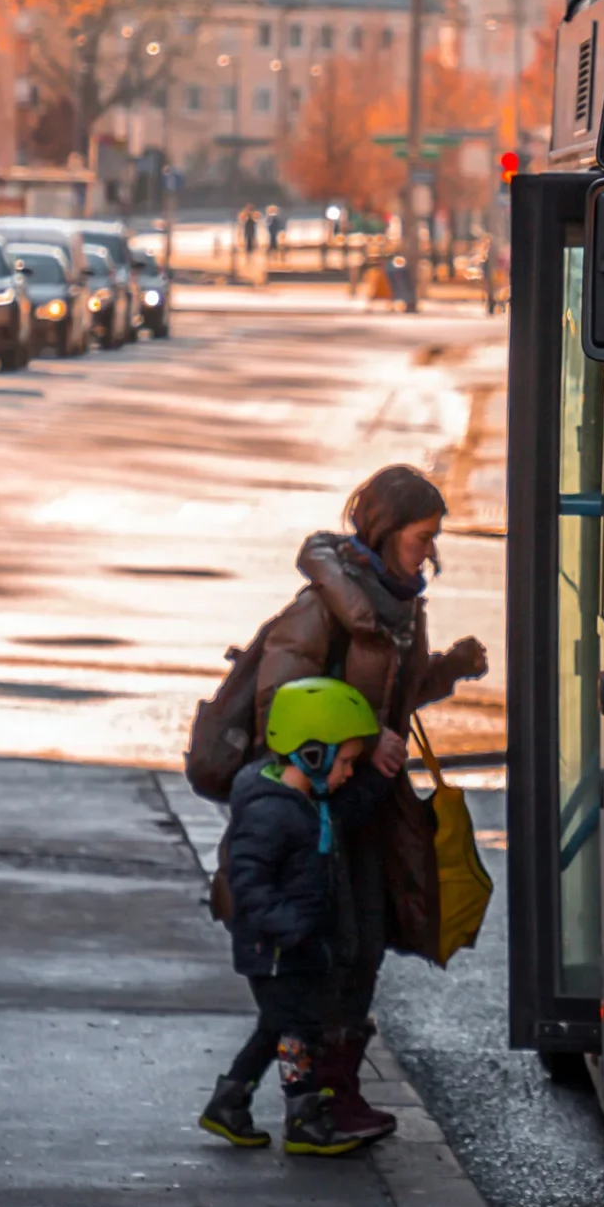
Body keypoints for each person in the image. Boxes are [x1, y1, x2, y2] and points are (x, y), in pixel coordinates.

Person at [250, 464, 490, 1140]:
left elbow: (396, 698)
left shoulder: (401, 605)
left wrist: (446, 668)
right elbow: (281, 709)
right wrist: (365, 735)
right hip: (318, 816)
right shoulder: (323, 606)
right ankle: (311, 1105)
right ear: (386, 533)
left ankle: (335, 1093)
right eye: (422, 538)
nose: (430, 554)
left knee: (365, 947)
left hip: (369, 809)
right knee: (332, 950)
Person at [199, 678, 390, 1156]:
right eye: (345, 761)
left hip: (292, 946)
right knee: (296, 1030)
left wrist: (380, 774)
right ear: (311, 756)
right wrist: (294, 929)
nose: (348, 772)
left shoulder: (311, 800)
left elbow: (352, 805)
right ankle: (303, 1116)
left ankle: (230, 1102)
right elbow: (249, 884)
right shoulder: (271, 812)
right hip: (277, 949)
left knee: (276, 1027)